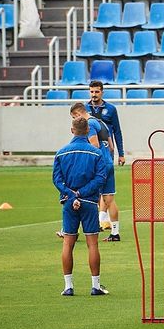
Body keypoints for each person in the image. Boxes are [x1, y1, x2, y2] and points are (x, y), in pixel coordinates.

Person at [52, 117, 109, 295]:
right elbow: (100, 178)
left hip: (69, 202)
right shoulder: (96, 153)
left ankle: (68, 286)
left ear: (72, 131)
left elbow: (57, 179)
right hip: (90, 202)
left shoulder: (61, 153)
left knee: (68, 243)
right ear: (87, 131)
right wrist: (82, 193)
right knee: (92, 244)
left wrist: (71, 194)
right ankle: (95, 285)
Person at [66, 103, 117, 240]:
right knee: (109, 199)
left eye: (74, 117)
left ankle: (71, 230)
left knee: (84, 193)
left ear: (78, 114)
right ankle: (115, 233)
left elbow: (95, 145)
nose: (75, 120)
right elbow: (111, 146)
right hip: (108, 162)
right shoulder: (101, 122)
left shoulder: (90, 124)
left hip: (98, 164)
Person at [86, 81, 124, 239]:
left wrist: (121, 153)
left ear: (102, 92)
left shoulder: (111, 109)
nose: (94, 94)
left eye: (97, 92)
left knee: (91, 192)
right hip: (98, 155)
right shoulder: (85, 108)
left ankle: (94, 224)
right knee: (105, 195)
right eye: (92, 92)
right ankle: (104, 223)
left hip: (103, 154)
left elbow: (117, 132)